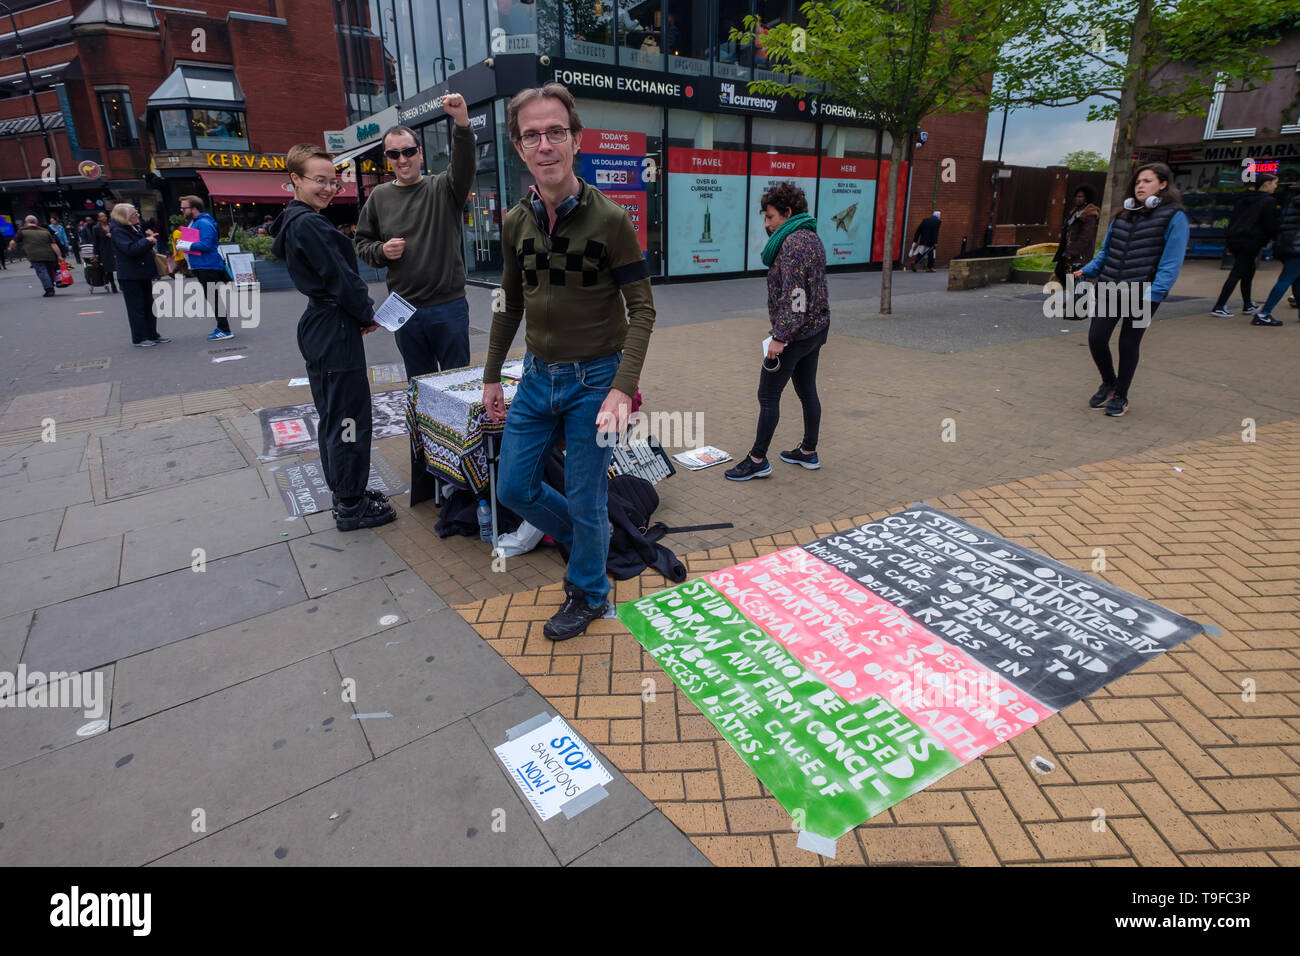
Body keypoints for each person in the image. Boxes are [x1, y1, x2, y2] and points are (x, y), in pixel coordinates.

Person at [483, 83, 655, 641]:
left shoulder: (610, 221)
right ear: (518, 147)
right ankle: (593, 539)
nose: (545, 144)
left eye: (556, 131)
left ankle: (588, 590)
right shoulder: (515, 223)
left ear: (576, 140)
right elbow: (509, 303)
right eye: (532, 135)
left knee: (587, 495)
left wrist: (621, 388)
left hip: (596, 382)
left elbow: (643, 310)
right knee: (513, 489)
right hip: (536, 378)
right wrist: (491, 375)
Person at [271, 144, 395, 533]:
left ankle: (348, 493)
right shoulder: (307, 223)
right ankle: (350, 502)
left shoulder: (298, 220)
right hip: (333, 324)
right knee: (346, 416)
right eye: (319, 180)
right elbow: (341, 278)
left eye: (332, 181)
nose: (329, 188)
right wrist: (365, 313)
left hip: (325, 322)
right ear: (295, 179)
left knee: (335, 413)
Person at [355, 96, 475, 378]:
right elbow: (361, 243)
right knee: (419, 384)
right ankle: (421, 425)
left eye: (408, 151)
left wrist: (461, 122)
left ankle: (456, 426)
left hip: (449, 306)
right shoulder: (379, 197)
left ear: (419, 152)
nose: (402, 159)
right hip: (404, 309)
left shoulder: (444, 188)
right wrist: (382, 251)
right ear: (387, 158)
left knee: (457, 382)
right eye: (393, 154)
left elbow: (464, 164)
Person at [726, 182, 829, 481]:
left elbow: (797, 298)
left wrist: (780, 337)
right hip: (815, 331)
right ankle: (808, 452)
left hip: (795, 336)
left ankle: (757, 459)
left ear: (787, 212)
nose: (767, 225)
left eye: (771, 217)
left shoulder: (794, 244)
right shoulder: (812, 237)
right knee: (807, 390)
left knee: (767, 395)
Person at [1074, 162, 1189, 417]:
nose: (1140, 186)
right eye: (1138, 182)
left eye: (1147, 181)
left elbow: (1171, 261)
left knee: (1128, 343)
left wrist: (1155, 293)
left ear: (1162, 185)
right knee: (1097, 338)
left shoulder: (1174, 217)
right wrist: (1089, 270)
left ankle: (1121, 396)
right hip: (1110, 286)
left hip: (1144, 292)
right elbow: (1106, 250)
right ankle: (1109, 383)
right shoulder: (1123, 214)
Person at [1210, 173, 1279, 319]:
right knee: (1237, 272)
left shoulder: (1244, 198)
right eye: (1274, 183)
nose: (1275, 186)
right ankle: (1219, 306)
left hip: (1235, 239)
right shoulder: (1268, 201)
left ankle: (1248, 304)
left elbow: (1234, 218)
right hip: (1251, 240)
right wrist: (1275, 238)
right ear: (1266, 184)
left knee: (1248, 270)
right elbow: (1269, 224)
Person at [110, 203, 170, 347]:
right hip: (130, 275)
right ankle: (140, 337)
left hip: (141, 273)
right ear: (124, 217)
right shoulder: (119, 231)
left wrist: (148, 240)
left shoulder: (133, 227)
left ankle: (152, 334)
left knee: (148, 305)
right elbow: (130, 250)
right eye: (133, 214)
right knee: (136, 308)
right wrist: (146, 241)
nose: (137, 215)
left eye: (136, 213)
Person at [175, 195, 234, 341]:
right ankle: (222, 327)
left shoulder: (203, 223)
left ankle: (224, 329)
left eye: (184, 208)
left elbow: (206, 245)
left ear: (194, 209)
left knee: (213, 298)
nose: (182, 210)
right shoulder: (196, 222)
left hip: (207, 265)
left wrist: (186, 245)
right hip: (203, 265)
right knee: (213, 297)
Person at [1249, 183, 1300, 327]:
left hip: (1289, 244)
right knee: (1286, 279)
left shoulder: (1294, 201)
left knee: (1297, 280)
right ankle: (1264, 313)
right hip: (1297, 247)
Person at [1053, 186, 1101, 287]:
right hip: (1067, 251)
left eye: (1080, 197)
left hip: (1079, 255)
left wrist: (1073, 252)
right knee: (1060, 271)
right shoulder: (1074, 212)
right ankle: (1074, 298)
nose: (1077, 199)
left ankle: (1077, 300)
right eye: (1076, 196)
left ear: (1087, 198)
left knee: (1075, 278)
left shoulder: (1090, 214)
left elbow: (1085, 237)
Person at [6, 216, 63, 296]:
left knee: (42, 271)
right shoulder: (45, 231)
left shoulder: (22, 231)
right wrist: (59, 256)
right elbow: (53, 244)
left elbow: (13, 242)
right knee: (49, 271)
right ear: (36, 222)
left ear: (26, 222)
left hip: (34, 255)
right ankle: (51, 286)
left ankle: (49, 289)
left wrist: (11, 247)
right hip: (49, 254)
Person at [92, 215, 119, 293]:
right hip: (104, 250)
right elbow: (95, 241)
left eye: (104, 216)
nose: (103, 218)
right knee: (109, 269)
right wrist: (95, 253)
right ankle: (113, 284)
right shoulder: (96, 228)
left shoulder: (112, 226)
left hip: (115, 248)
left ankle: (121, 283)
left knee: (119, 266)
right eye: (101, 217)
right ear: (98, 219)